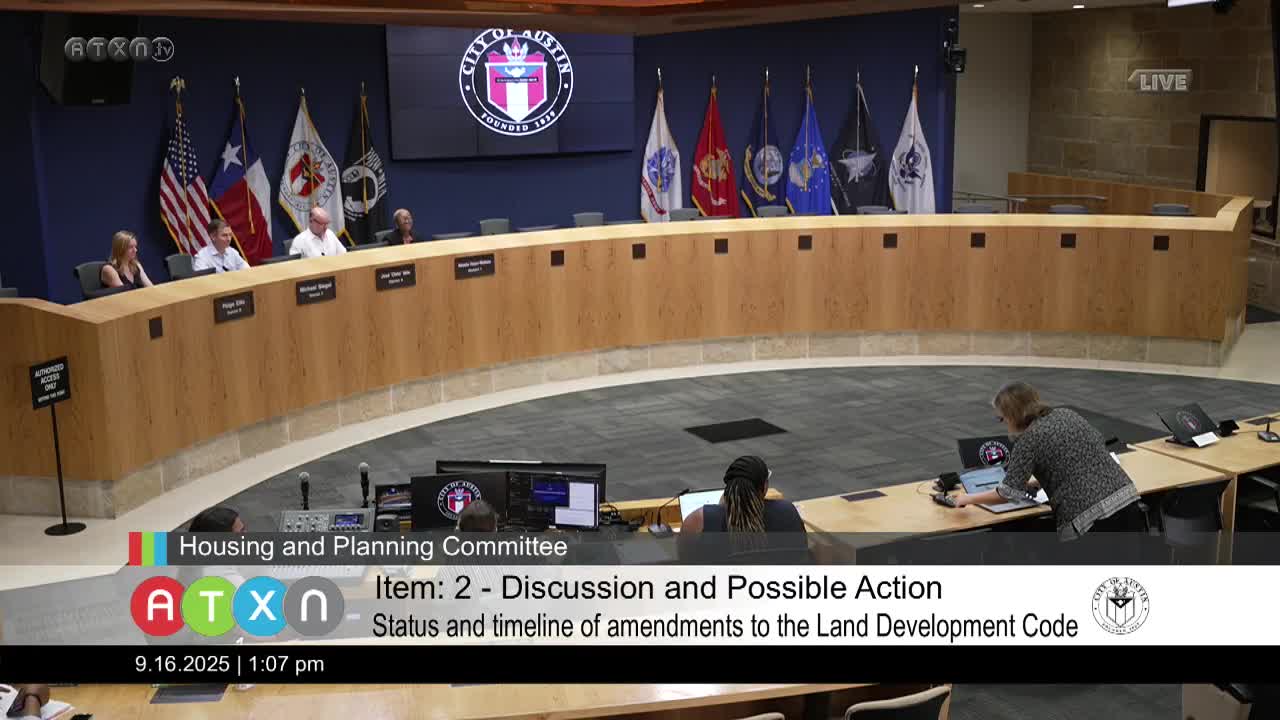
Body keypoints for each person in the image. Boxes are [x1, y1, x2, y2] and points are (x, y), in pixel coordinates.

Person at [943, 381, 1144, 539]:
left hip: (1092, 519)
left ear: (1012, 415)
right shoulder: (1067, 414)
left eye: (1002, 418)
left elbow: (1008, 492)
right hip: (1127, 500)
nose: (1003, 423)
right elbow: (1092, 448)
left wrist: (967, 499)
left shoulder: (1028, 439)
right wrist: (1040, 481)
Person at [680, 456, 808, 561]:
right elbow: (801, 555)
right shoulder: (788, 512)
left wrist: (721, 507)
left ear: (729, 488)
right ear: (764, 488)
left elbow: (685, 565)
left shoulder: (698, 520)